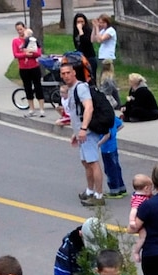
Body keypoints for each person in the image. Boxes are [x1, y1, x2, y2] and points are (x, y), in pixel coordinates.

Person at [58, 58, 106, 205]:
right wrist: (76, 132)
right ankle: (90, 191)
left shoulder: (81, 88)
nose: (66, 76)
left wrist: (84, 129)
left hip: (88, 132)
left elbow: (88, 108)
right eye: (63, 73)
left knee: (93, 162)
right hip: (81, 133)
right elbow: (75, 113)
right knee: (86, 162)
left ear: (74, 73)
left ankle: (98, 196)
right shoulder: (72, 89)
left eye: (68, 73)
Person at [12, 23, 45, 119]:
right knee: (27, 88)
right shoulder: (16, 41)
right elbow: (16, 54)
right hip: (23, 68)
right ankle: (31, 108)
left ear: (25, 29)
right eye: (18, 30)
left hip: (34, 66)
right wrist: (25, 55)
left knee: (38, 86)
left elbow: (38, 52)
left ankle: (41, 108)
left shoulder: (32, 40)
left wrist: (31, 54)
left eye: (21, 29)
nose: (20, 31)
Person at [71, 13, 97, 80]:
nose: (80, 23)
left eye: (82, 22)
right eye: (78, 22)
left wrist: (80, 30)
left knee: (90, 78)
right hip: (80, 58)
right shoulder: (76, 32)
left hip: (89, 57)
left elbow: (85, 42)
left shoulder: (88, 31)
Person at [94, 16, 117, 83]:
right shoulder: (104, 31)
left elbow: (100, 40)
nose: (101, 24)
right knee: (102, 77)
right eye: (100, 22)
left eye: (103, 22)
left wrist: (97, 28)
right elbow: (93, 39)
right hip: (102, 56)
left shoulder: (110, 30)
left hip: (108, 56)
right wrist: (94, 28)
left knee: (107, 77)